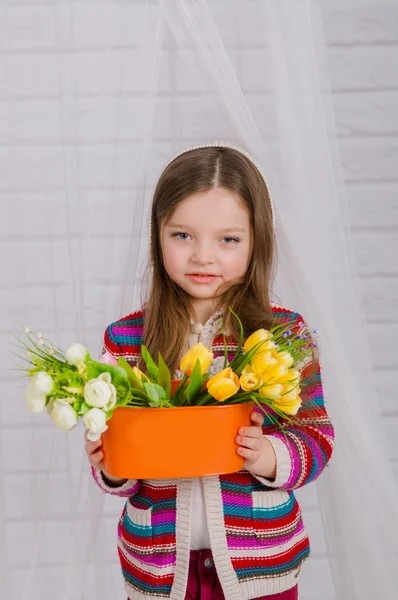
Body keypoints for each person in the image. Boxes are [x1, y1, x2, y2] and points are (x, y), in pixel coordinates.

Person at [85, 144, 334, 600]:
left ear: (257, 240)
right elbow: (114, 472)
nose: (202, 256)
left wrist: (266, 457)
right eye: (182, 236)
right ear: (157, 236)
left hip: (262, 563)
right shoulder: (125, 340)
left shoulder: (283, 334)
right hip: (158, 568)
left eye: (228, 239)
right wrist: (112, 465)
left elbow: (316, 437)